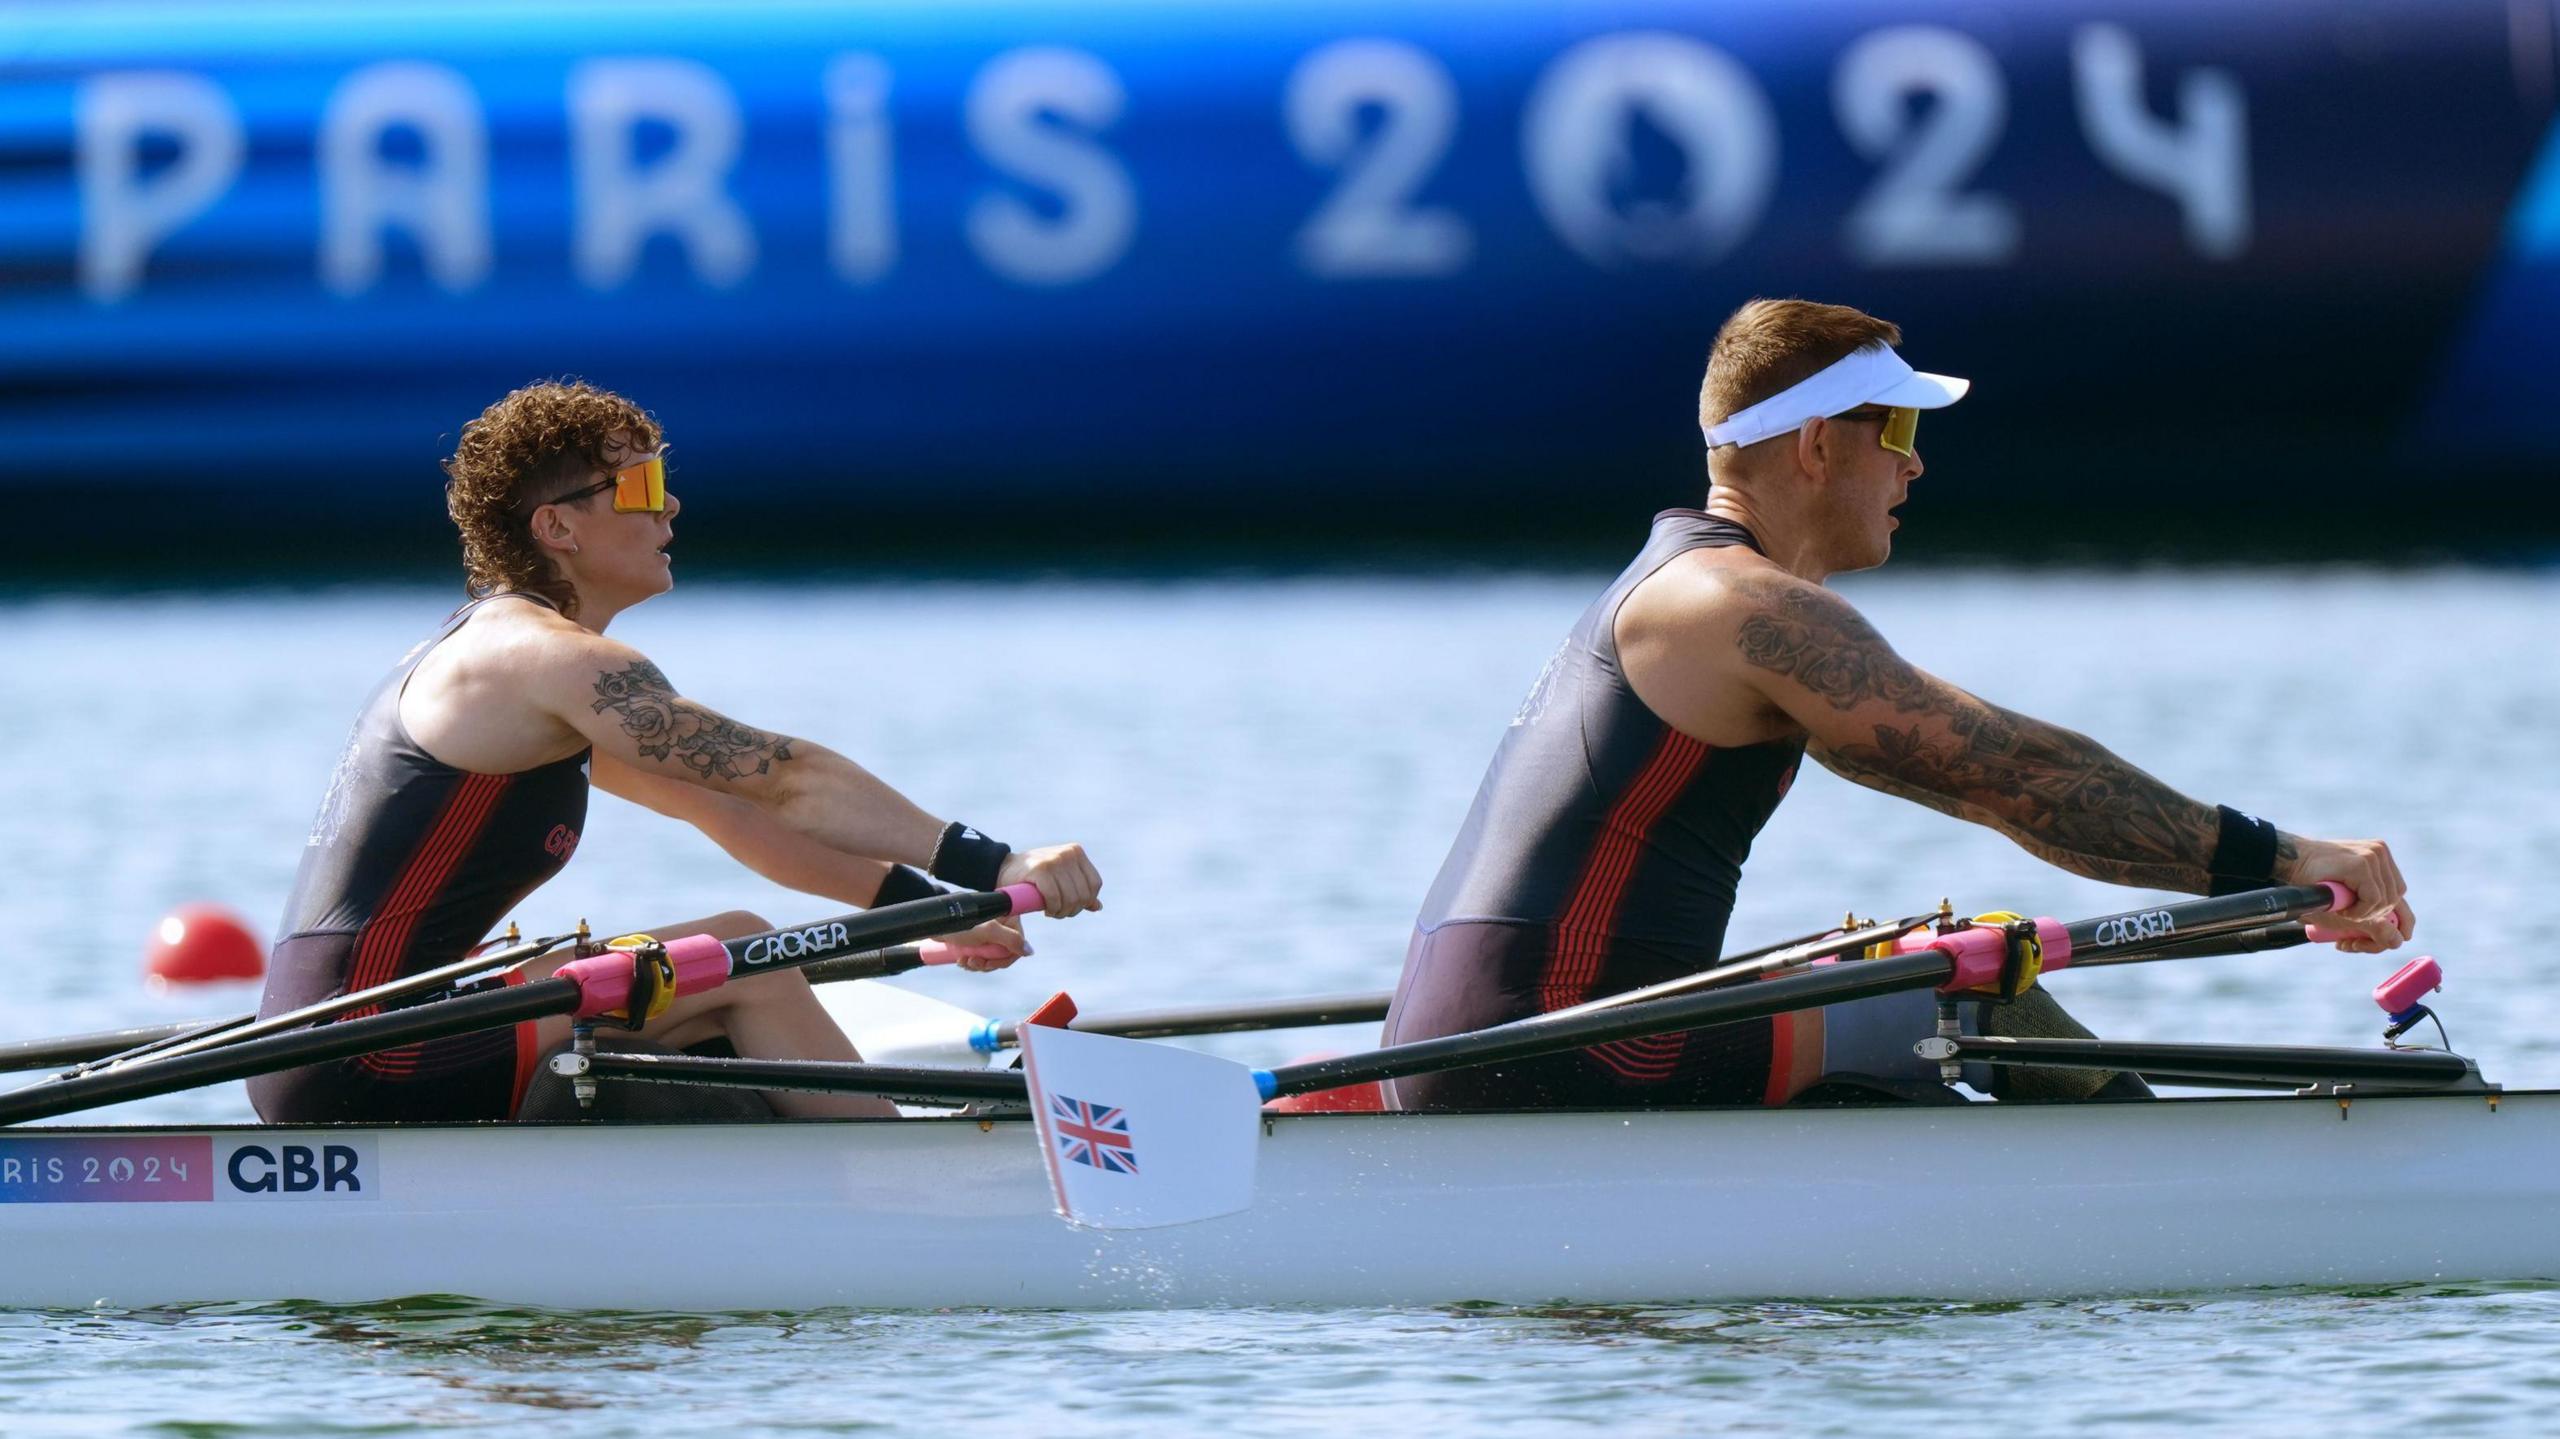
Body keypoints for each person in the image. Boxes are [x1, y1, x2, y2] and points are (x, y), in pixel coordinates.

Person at [1381, 299, 2409, 1110]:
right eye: (1901, 427)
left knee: (1925, 956)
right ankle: (2189, 1206)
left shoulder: (1681, 589)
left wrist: (2263, 898)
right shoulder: (1735, 606)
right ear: (1817, 444)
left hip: (1480, 1038)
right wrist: (2284, 861)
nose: (1915, 462)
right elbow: (2009, 769)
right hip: (1569, 1044)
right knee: (1964, 976)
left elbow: (1998, 801)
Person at [249, 380, 1102, 1124]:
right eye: (642, 485)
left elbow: (728, 809)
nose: (672, 507)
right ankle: (901, 1179)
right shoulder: (549, 660)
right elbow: (789, 780)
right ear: (557, 526)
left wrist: (931, 912)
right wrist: (995, 864)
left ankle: (798, 1154)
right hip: (366, 1045)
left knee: (709, 972)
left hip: (345, 1031)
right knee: (745, 957)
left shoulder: (508, 664)